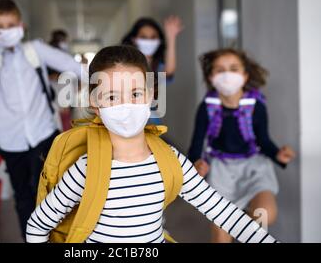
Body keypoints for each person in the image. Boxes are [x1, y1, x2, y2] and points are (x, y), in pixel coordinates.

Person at [26, 45, 278, 243]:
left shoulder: (170, 161)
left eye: (135, 94)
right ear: (95, 104)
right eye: (112, 96)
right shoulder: (86, 168)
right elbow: (38, 225)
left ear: (150, 95)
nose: (126, 105)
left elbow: (225, 214)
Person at [0, 0, 82, 240]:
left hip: (43, 133)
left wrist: (108, 78)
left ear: (21, 25)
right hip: (11, 139)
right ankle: (32, 238)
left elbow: (72, 65)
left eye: (11, 25)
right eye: (0, 26)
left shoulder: (35, 50)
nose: (6, 31)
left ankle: (56, 236)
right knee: (23, 196)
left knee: (49, 190)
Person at [187, 48, 295, 243]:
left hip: (254, 168)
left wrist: (278, 155)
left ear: (245, 75)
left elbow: (263, 140)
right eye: (220, 70)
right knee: (221, 232)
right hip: (221, 172)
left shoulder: (256, 106)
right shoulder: (206, 107)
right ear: (211, 77)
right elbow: (196, 144)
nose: (227, 74)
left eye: (234, 68)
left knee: (265, 215)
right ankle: (232, 220)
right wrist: (196, 163)